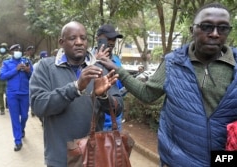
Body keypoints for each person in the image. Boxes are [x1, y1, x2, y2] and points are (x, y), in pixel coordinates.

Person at [99, 2, 237, 166]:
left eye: (222, 28)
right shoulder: (173, 63)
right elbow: (147, 94)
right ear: (192, 30)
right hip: (176, 161)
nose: (215, 34)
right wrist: (119, 71)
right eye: (207, 27)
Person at [29, 21, 123, 167]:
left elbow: (118, 109)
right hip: (60, 158)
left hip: (93, 157)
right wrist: (76, 87)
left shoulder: (100, 69)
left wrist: (104, 97)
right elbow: (38, 106)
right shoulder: (45, 67)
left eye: (83, 38)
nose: (79, 42)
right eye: (73, 38)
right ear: (62, 42)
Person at [0, 44, 33, 151]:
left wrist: (28, 71)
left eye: (19, 49)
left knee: (24, 116)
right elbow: (2, 76)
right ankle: (17, 141)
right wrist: (16, 69)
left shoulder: (27, 61)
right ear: (11, 52)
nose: (17, 51)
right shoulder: (6, 63)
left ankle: (22, 128)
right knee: (14, 118)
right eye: (15, 50)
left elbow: (33, 76)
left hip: (24, 93)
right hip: (12, 94)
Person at [94, 24, 125, 131]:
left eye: (114, 39)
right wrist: (96, 62)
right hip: (95, 120)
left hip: (114, 119)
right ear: (97, 39)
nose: (112, 42)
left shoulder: (116, 60)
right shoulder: (88, 59)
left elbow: (119, 87)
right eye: (108, 38)